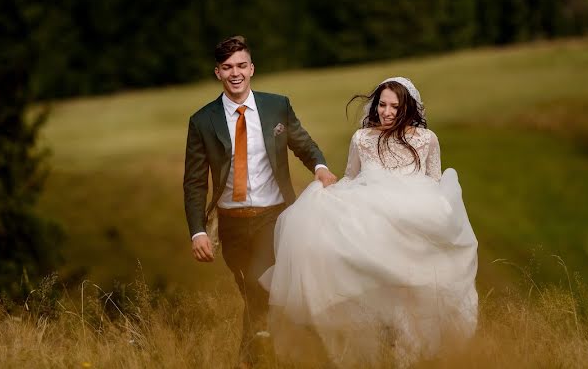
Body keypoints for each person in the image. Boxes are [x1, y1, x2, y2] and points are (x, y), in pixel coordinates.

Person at [260, 77, 478, 367]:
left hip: (413, 220)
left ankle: (408, 353)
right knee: (368, 281)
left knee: (410, 291)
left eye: (394, 107)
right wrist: (329, 194)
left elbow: (435, 180)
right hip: (370, 218)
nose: (386, 112)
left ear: (408, 108)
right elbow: (351, 176)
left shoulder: (427, 139)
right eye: (382, 105)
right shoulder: (362, 138)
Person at [183, 35, 334, 369]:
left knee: (258, 283)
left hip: (275, 218)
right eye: (227, 67)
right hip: (231, 225)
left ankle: (259, 361)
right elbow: (194, 182)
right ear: (218, 73)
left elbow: (303, 144)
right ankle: (279, 356)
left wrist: (320, 168)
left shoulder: (275, 106)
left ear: (251, 68)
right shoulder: (202, 121)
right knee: (254, 295)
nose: (235, 73)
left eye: (241, 65)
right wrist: (198, 231)